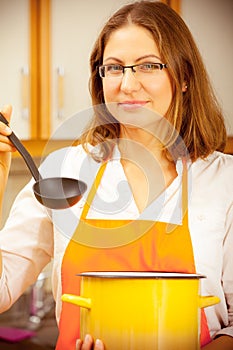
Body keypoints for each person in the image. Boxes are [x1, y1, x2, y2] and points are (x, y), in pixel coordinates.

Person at [0, 1, 233, 349]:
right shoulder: (63, 171)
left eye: (148, 66)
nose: (127, 84)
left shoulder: (224, 181)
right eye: (114, 68)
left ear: (184, 77)